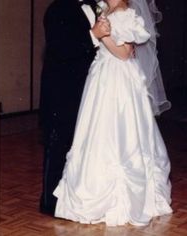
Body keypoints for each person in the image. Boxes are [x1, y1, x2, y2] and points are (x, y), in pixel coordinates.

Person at [53, 0, 173, 226]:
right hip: (101, 76)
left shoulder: (124, 12)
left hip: (118, 80)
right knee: (97, 133)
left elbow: (126, 53)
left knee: (120, 134)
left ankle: (123, 200)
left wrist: (103, 37)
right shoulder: (106, 10)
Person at [39, 0, 111, 216]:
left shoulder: (97, 6)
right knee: (59, 143)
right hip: (63, 91)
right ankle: (48, 202)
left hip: (88, 88)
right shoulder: (56, 9)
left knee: (82, 146)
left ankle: (73, 197)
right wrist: (93, 35)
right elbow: (60, 48)